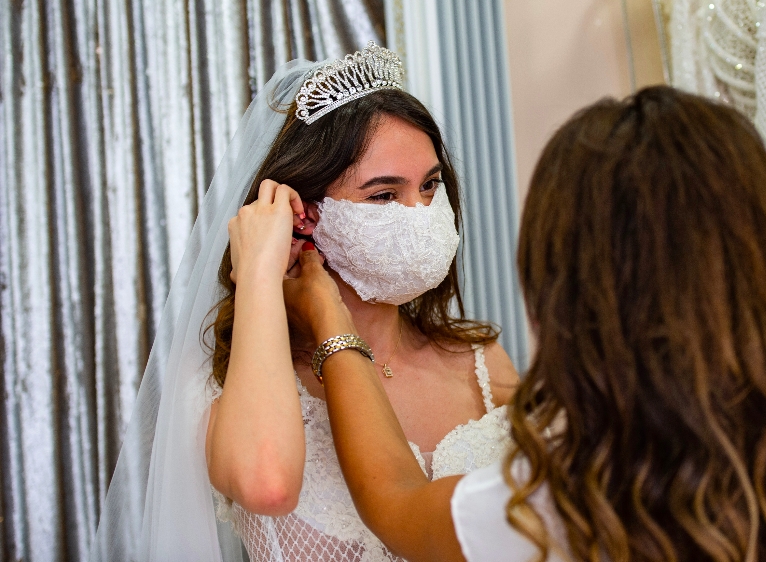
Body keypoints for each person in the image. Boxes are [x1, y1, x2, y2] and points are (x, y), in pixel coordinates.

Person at [274, 86, 766, 561]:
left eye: (431, 187)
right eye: (385, 194)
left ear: (569, 300)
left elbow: (394, 502)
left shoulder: (561, 502)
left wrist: (329, 319)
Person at [88, 43, 518, 562]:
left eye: (430, 186)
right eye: (384, 195)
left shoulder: (481, 359)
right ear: (305, 215)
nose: (422, 213)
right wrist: (259, 270)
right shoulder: (217, 391)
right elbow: (267, 485)